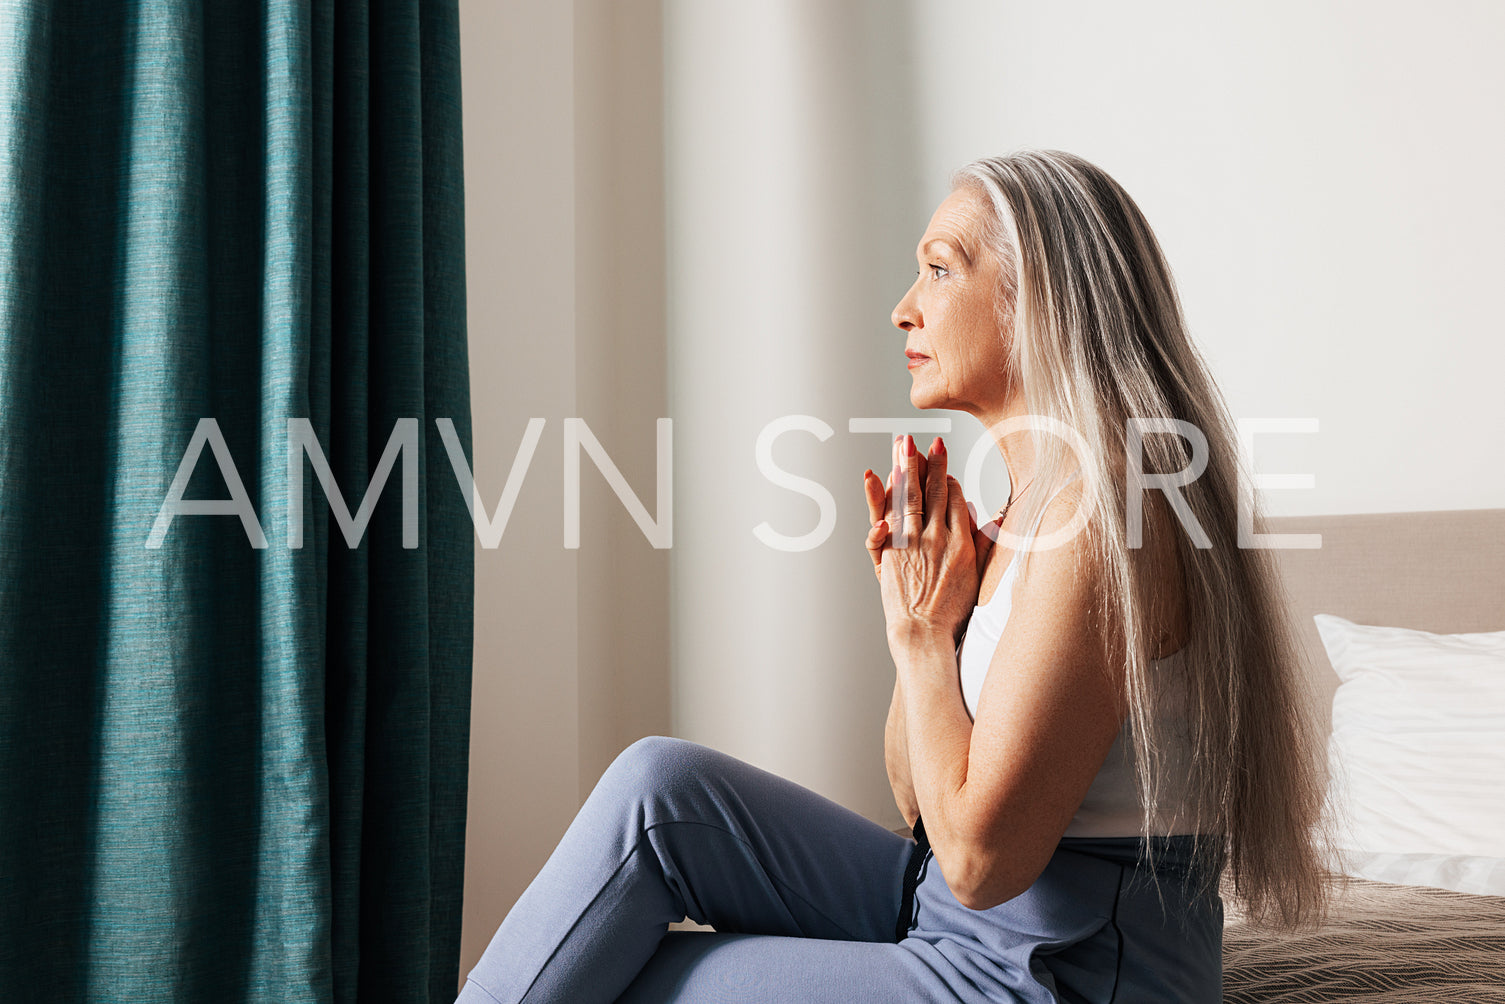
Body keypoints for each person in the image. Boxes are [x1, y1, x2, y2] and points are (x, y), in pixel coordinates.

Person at [456, 150, 1330, 1003]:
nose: (902, 310)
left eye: (940, 272)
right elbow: (919, 803)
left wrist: (918, 640)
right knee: (658, 790)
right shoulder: (1031, 507)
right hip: (957, 914)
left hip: (1055, 969)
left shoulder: (1104, 522)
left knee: (628, 978)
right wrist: (929, 618)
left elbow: (981, 862)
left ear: (1041, 302)